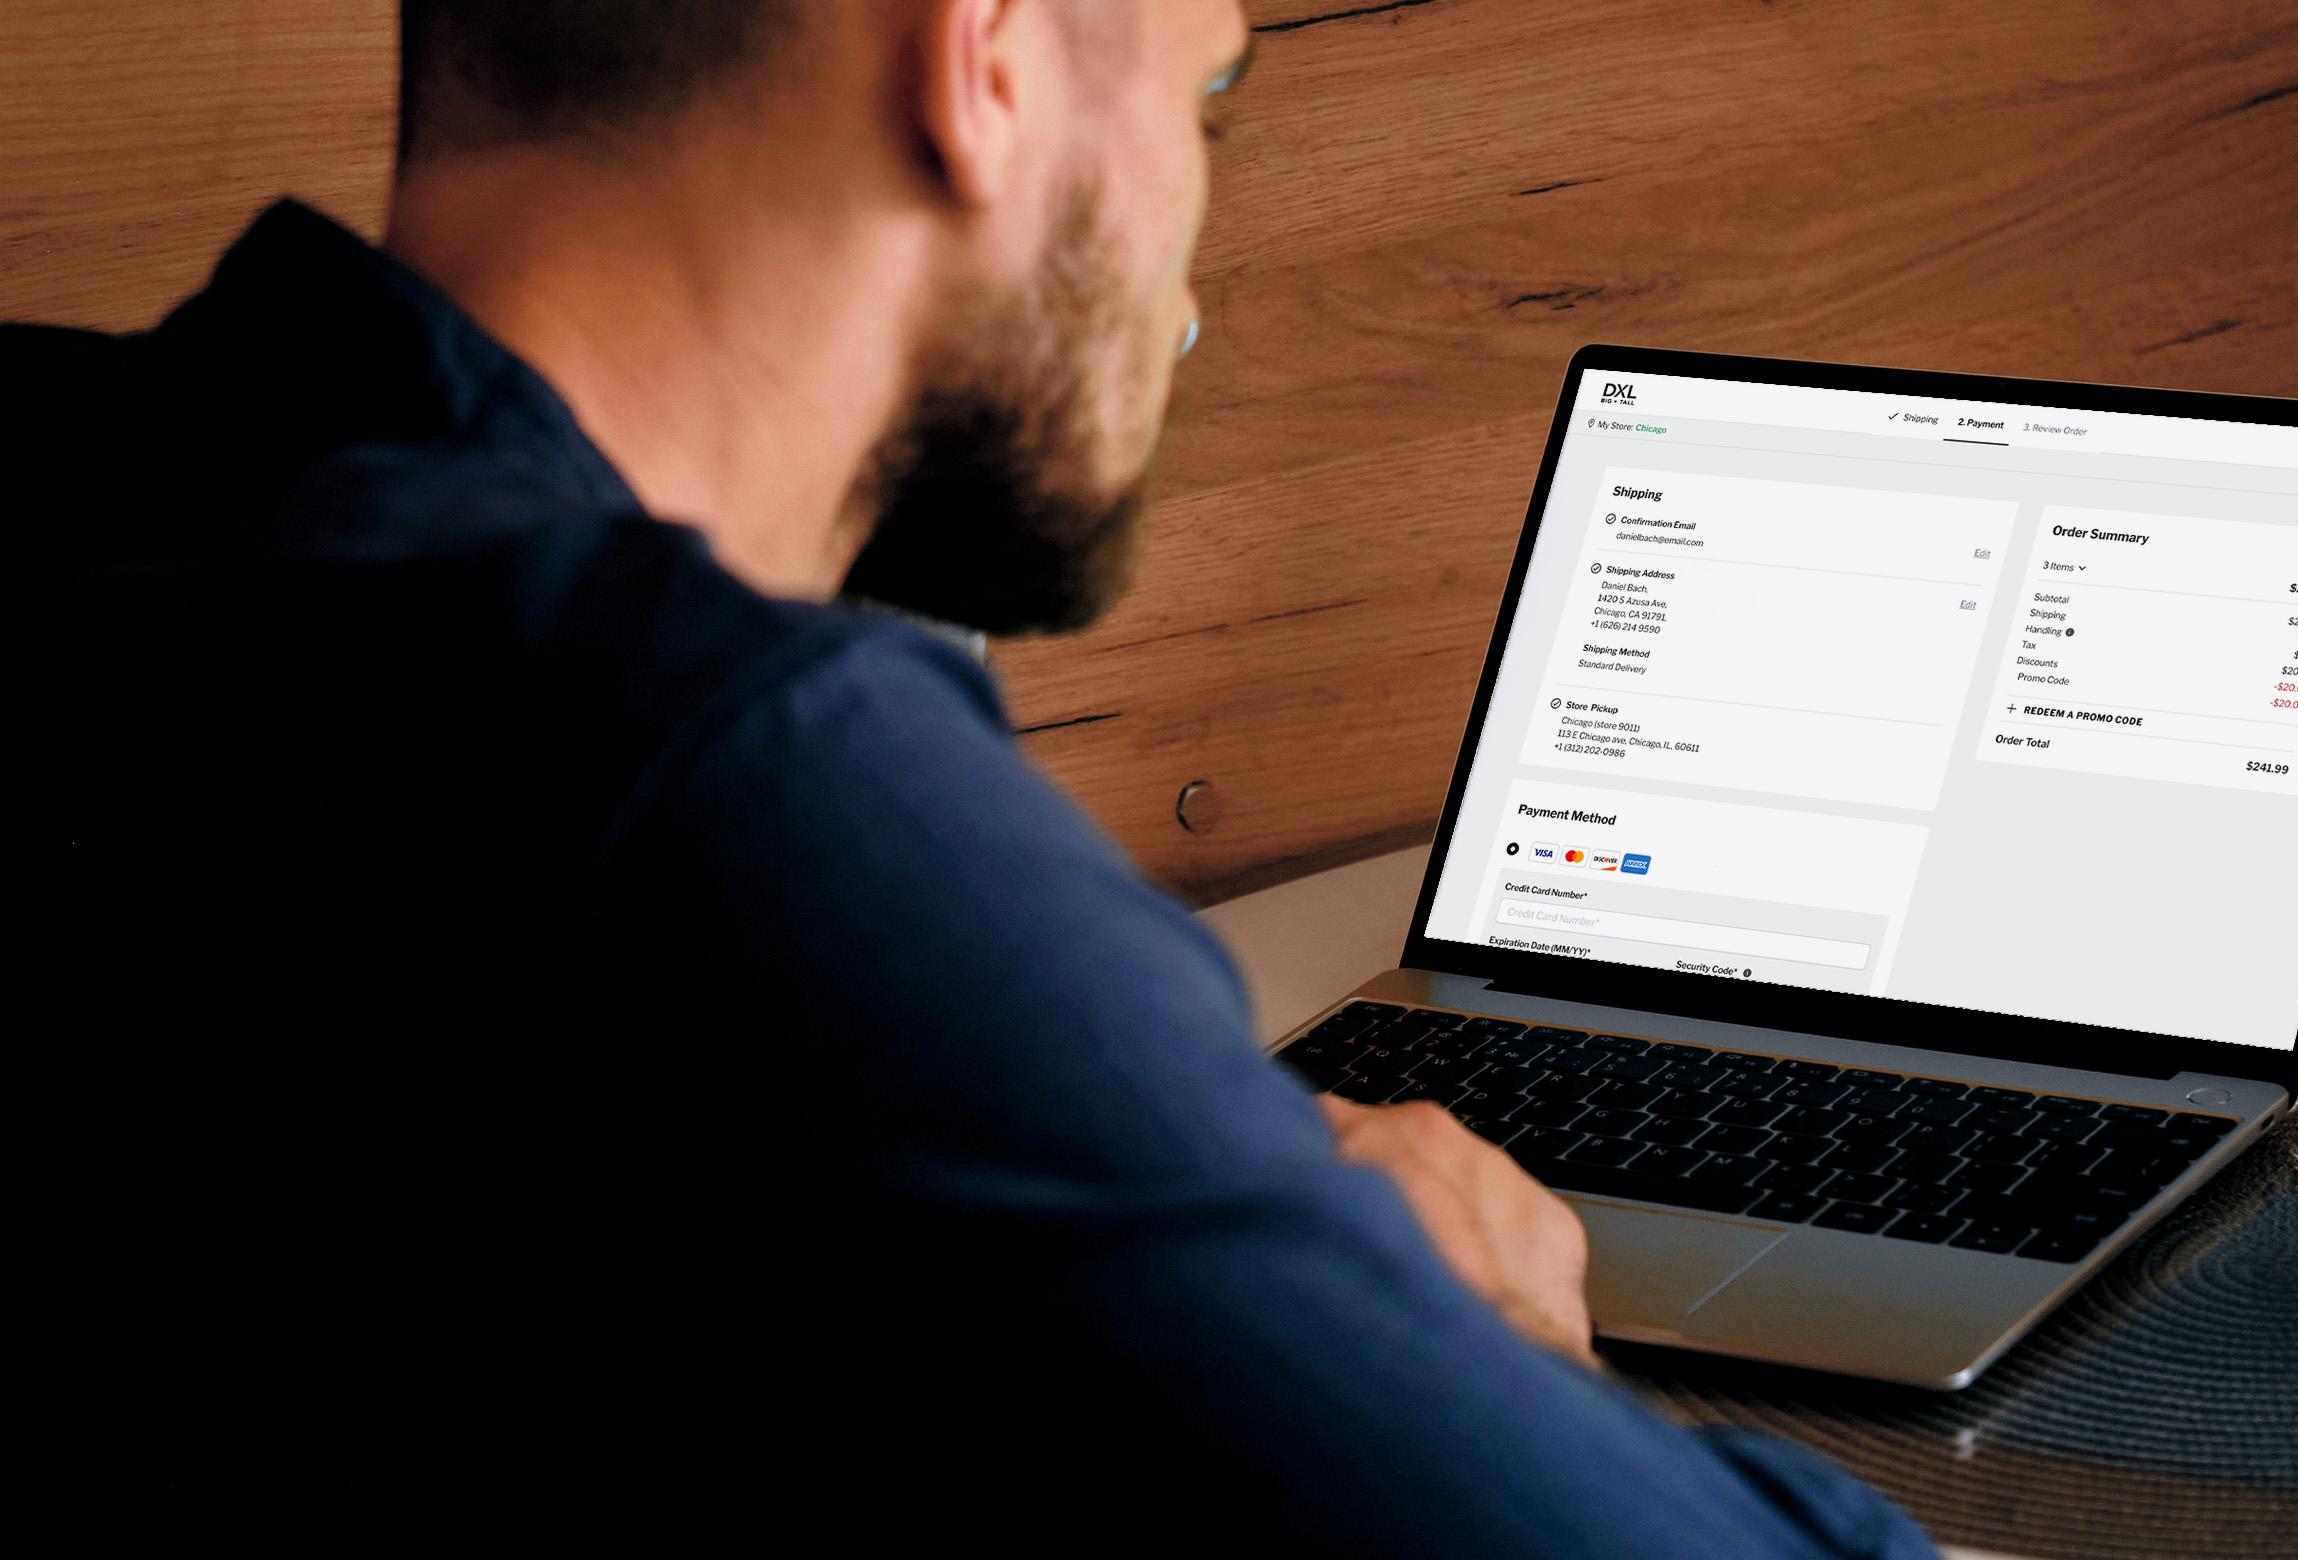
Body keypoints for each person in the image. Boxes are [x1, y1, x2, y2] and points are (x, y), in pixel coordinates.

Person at [10, 3, 1936, 1552]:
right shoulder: (730, 771)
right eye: (1208, 97)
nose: (1184, 275)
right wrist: (1485, 1334)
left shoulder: (99, 476)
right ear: (986, 60)